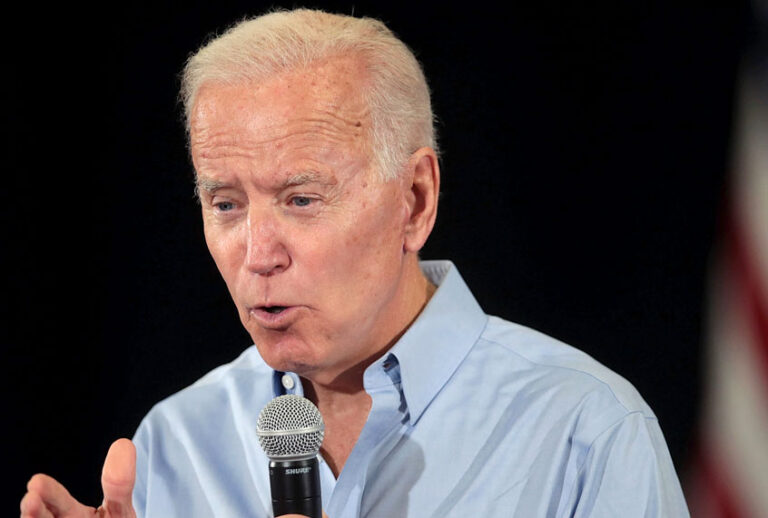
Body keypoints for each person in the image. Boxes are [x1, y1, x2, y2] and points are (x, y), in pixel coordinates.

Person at [20, 8, 689, 518]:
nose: (257, 255)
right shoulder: (176, 444)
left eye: (301, 198)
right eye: (225, 204)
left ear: (415, 200)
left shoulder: (583, 430)